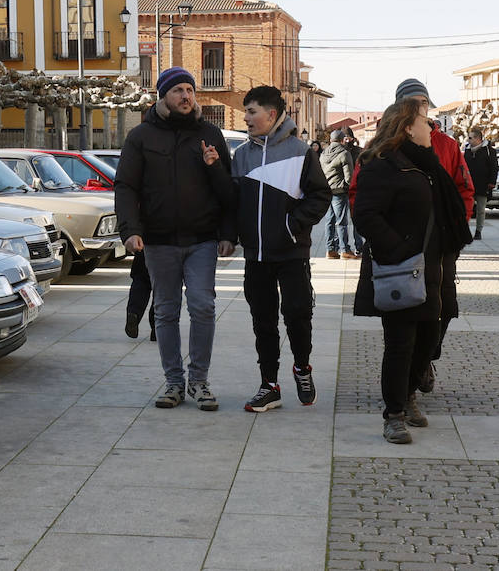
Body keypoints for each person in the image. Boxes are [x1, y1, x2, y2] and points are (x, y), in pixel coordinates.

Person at [115, 67, 236, 411]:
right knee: (166, 312)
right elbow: (126, 187)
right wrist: (131, 230)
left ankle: (199, 381)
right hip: (158, 241)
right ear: (163, 96)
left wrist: (228, 233)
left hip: (202, 240)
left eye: (190, 90)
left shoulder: (210, 133)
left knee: (203, 306)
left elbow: (228, 191)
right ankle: (173, 383)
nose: (186, 96)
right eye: (178, 90)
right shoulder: (141, 136)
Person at [352, 98, 471, 444]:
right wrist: (401, 249)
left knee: (428, 339)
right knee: (400, 343)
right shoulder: (381, 165)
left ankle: (406, 395)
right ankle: (393, 414)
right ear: (406, 126)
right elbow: (366, 216)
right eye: (424, 121)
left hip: (433, 264)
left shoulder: (427, 163)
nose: (431, 127)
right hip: (402, 267)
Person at [231, 86, 332, 412]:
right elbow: (233, 201)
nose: (245, 118)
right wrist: (231, 235)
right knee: (263, 321)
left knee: (298, 315)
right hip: (256, 255)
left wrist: (292, 225)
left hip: (291, 253)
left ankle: (302, 368)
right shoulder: (242, 154)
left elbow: (320, 196)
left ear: (271, 115)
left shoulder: (301, 152)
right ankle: (269, 385)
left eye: (251, 111)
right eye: (245, 111)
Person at [394, 79, 473, 394]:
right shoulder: (387, 143)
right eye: (412, 103)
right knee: (406, 310)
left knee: (445, 305)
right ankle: (408, 378)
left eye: (423, 103)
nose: (419, 109)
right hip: (400, 244)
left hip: (441, 242)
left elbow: (465, 188)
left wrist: (455, 224)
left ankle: (426, 356)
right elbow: (363, 193)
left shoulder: (447, 145)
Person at [321, 129, 358, 260]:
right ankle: (345, 250)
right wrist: (348, 188)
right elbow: (349, 177)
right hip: (340, 192)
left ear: (331, 140)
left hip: (327, 191)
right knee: (341, 221)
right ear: (342, 140)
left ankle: (330, 250)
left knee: (329, 221)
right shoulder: (344, 153)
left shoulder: (323, 153)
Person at [462, 130, 498, 240]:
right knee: (466, 208)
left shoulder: (488, 151)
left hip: (483, 185)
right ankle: (465, 231)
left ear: (478, 139)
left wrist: (492, 183)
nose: (469, 140)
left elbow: (494, 168)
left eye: (471, 138)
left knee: (481, 210)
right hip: (468, 185)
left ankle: (478, 231)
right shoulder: (467, 150)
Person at [124, 251, 155, 341]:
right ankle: (157, 326)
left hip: (144, 246)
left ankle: (134, 312)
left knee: (141, 280)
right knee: (163, 288)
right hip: (167, 248)